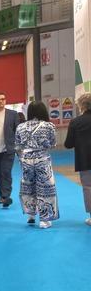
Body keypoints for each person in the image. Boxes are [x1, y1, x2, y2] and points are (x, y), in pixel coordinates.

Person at [15, 101, 59, 228]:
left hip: (26, 160)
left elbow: (17, 145)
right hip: (42, 159)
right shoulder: (49, 126)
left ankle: (30, 215)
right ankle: (45, 219)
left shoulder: (20, 127)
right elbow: (53, 144)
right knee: (46, 188)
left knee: (27, 186)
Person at [64, 93, 91, 226]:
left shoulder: (75, 122)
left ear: (81, 106)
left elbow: (68, 144)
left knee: (88, 187)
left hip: (84, 159)